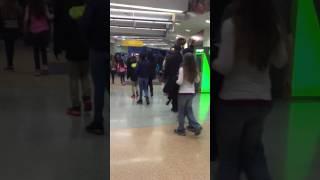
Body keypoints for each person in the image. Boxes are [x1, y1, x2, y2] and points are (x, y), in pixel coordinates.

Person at [213, 0, 288, 179]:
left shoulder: (231, 25)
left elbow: (225, 66)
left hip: (233, 101)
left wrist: (213, 61)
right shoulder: (272, 27)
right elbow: (281, 61)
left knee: (229, 158)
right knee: (253, 155)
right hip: (261, 100)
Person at [54, 0, 92, 117]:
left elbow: (60, 28)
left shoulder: (66, 8)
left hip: (71, 47)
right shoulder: (87, 8)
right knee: (85, 75)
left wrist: (58, 47)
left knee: (73, 78)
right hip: (86, 47)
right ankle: (87, 100)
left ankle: (76, 107)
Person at [81, 0, 107, 135]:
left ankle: (98, 122)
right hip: (108, 51)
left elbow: (85, 24)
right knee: (107, 85)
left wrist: (89, 41)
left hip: (97, 49)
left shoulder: (94, 3)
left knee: (99, 86)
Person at [174, 53, 202, 136]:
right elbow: (197, 81)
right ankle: (196, 126)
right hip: (191, 92)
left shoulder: (182, 69)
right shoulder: (195, 69)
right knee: (189, 110)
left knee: (181, 111)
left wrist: (175, 79)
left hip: (182, 92)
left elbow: (180, 82)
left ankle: (181, 129)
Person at [24, 0, 53, 76]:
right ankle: (45, 67)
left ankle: (37, 70)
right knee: (43, 50)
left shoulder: (29, 6)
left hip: (34, 31)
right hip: (44, 30)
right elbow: (48, 16)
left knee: (36, 51)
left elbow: (26, 18)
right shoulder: (43, 5)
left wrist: (25, 27)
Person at [0, 0, 23, 71]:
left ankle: (9, 64)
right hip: (14, 25)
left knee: (7, 46)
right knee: (12, 45)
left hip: (5, 25)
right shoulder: (16, 5)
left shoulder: (2, 5)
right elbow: (20, 14)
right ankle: (10, 63)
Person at [163, 41, 184, 112]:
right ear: (180, 49)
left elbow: (166, 68)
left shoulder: (169, 58)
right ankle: (177, 106)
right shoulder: (182, 58)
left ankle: (174, 106)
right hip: (180, 77)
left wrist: (165, 77)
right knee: (179, 92)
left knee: (173, 91)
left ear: (174, 49)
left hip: (172, 77)